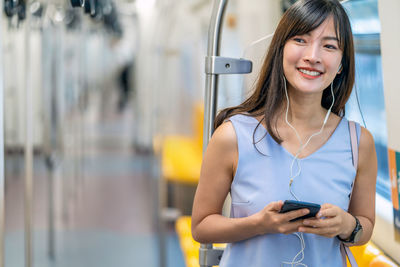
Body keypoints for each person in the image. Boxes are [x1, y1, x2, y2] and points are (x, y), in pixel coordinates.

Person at [191, 0, 377, 266]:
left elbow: (364, 228)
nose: (313, 55)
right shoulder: (233, 135)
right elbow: (201, 226)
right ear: (280, 50)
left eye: (329, 46)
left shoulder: (359, 142)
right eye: (300, 40)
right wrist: (259, 224)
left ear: (341, 65)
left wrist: (347, 225)